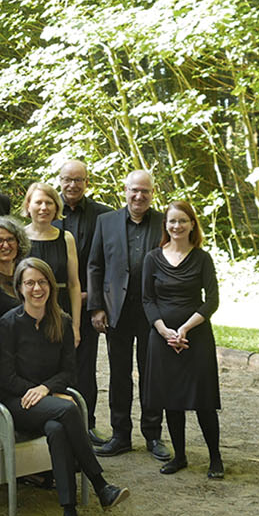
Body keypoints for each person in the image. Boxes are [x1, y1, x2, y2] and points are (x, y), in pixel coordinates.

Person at [0, 258, 129, 516]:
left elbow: (69, 371)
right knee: (69, 409)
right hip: (16, 403)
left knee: (58, 429)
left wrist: (46, 389)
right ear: (20, 288)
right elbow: (6, 378)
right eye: (29, 283)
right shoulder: (8, 323)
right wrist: (38, 391)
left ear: (50, 286)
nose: (36, 288)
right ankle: (100, 483)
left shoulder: (63, 320)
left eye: (42, 282)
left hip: (48, 400)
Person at [88, 170, 171, 462]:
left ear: (152, 193)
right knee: (119, 376)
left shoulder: (164, 223)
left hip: (152, 314)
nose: (139, 196)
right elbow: (95, 266)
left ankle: (153, 435)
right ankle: (120, 435)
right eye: (134, 190)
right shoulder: (106, 222)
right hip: (116, 312)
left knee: (152, 375)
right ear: (125, 190)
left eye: (145, 192)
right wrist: (97, 307)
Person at [142, 201, 223, 480]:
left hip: (196, 337)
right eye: (171, 221)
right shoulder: (153, 257)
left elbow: (212, 301)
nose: (176, 226)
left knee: (203, 400)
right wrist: (165, 331)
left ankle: (215, 458)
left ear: (192, 224)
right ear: (165, 225)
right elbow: (147, 299)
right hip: (162, 338)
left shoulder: (202, 258)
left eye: (182, 221)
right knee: (171, 400)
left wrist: (185, 329)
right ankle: (180, 455)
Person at [56, 159, 113, 444]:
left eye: (79, 180)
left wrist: (93, 297)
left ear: (87, 182)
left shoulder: (105, 216)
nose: (73, 185)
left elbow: (109, 262)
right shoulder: (47, 213)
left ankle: (87, 424)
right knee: (52, 363)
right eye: (68, 179)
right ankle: (57, 422)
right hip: (52, 302)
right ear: (60, 180)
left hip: (88, 301)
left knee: (85, 366)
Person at [23, 182, 83, 347]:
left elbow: (74, 284)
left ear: (56, 207)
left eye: (49, 203)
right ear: (28, 206)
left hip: (61, 310)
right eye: (38, 202)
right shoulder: (18, 237)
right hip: (27, 312)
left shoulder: (66, 238)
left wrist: (75, 326)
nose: (44, 207)